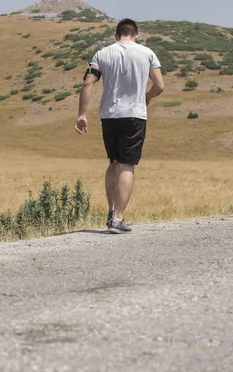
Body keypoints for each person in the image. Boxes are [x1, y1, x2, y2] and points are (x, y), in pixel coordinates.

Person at [74, 18, 165, 234]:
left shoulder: (102, 54)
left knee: (113, 162)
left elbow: (88, 82)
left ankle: (110, 211)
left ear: (116, 36)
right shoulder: (147, 53)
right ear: (136, 35)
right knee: (127, 165)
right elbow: (160, 85)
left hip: (109, 115)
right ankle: (117, 218)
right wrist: (147, 97)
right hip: (134, 114)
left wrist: (81, 114)